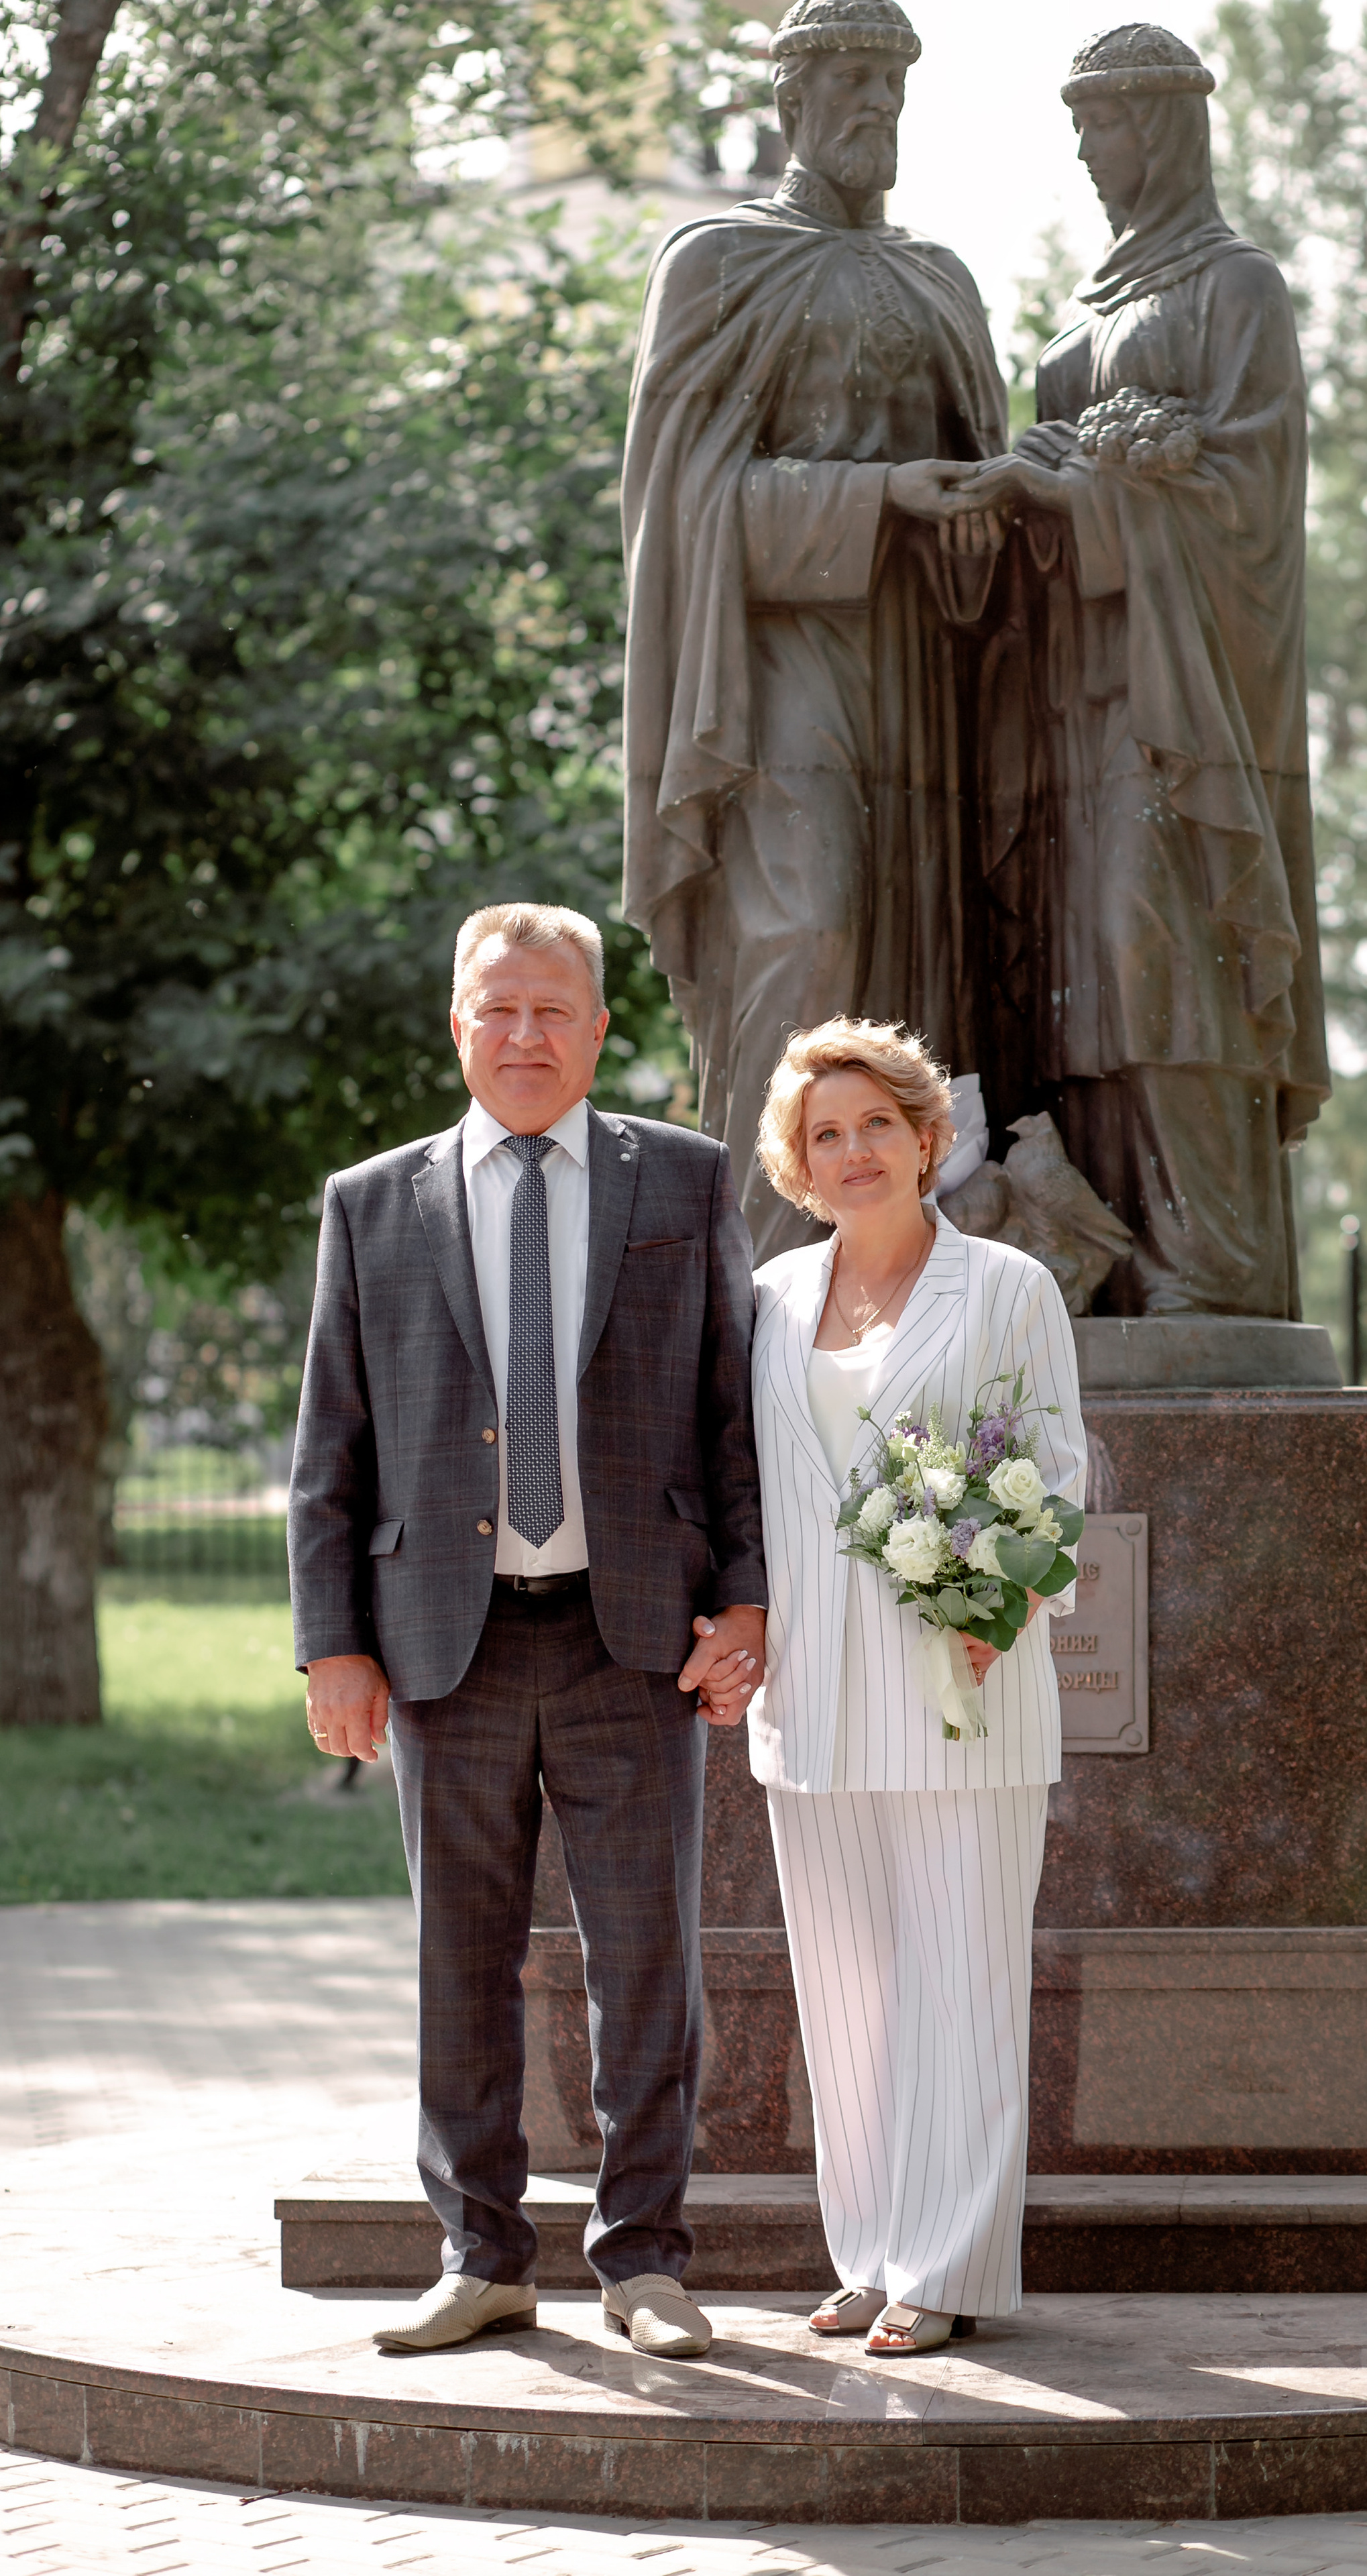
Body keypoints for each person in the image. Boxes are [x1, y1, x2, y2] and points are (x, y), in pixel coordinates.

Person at [288, 901, 767, 2359]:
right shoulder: (373, 1204)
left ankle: (642, 2264)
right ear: (455, 1024)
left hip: (635, 1642)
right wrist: (333, 1642)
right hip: (447, 1642)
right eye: (496, 1009)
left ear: (600, 1028)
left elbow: (731, 1418)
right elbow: (330, 1448)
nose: (524, 1036)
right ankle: (480, 2254)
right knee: (459, 1961)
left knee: (647, 1963)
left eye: (553, 1010)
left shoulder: (681, 1184)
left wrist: (747, 1599)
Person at [619, 0, 1011, 1264]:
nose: (877, 104)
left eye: (893, 80)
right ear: (788, 100)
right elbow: (683, 508)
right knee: (806, 935)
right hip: (775, 668)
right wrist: (876, 496)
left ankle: (912, 1297)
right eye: (850, 78)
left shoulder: (938, 277)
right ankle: (765, 1290)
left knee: (921, 977)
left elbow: (982, 481)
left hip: (921, 665)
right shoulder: (720, 263)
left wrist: (981, 515)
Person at [957, 21, 1329, 1317]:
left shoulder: (1236, 289)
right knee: (1090, 983)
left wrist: (1109, 493)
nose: (1083, 147)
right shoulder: (1093, 304)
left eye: (1104, 120)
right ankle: (1114, 1262)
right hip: (1074, 692)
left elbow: (1252, 494)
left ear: (1165, 124)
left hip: (1184, 695)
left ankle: (1212, 1272)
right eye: (1077, 122)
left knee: (1165, 947)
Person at [740, 1018, 1085, 2354]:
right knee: (848, 1997)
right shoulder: (769, 1299)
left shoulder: (1005, 1288)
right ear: (797, 1162)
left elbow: (1056, 1471)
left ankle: (946, 2266)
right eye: (823, 1134)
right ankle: (870, 2250)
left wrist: (996, 1601)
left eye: (873, 1123)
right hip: (811, 1701)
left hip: (961, 1681)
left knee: (961, 1983)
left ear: (926, 1137)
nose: (850, 1150)